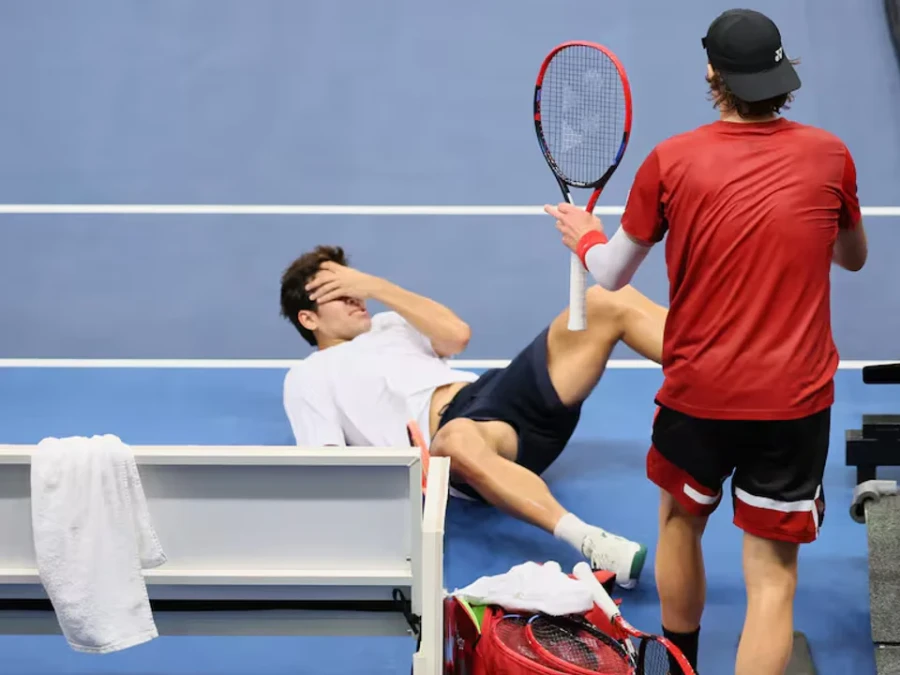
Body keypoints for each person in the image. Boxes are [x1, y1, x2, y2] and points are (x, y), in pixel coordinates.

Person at [546, 8, 868, 675]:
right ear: (783, 75)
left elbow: (609, 275)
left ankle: (680, 667)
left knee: (677, 525)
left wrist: (584, 235)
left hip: (699, 394)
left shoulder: (670, 161)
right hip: (793, 403)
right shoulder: (831, 155)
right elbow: (852, 256)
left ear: (712, 76)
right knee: (773, 579)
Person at [279, 244, 668, 589]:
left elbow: (456, 335)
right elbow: (328, 463)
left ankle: (721, 369)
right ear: (309, 319)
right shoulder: (308, 375)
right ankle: (592, 543)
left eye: (351, 287)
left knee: (607, 301)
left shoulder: (391, 324)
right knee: (454, 440)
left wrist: (376, 286)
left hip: (495, 394)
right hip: (464, 441)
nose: (353, 298)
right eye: (337, 293)